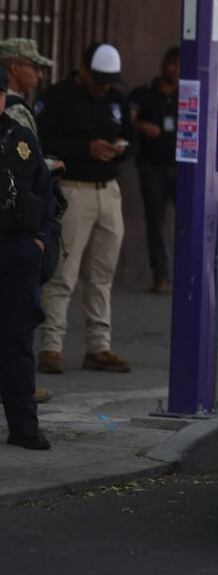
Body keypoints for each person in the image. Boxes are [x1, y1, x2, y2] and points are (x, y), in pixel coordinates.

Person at [36, 42, 133, 374]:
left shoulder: (116, 99)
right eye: (99, 79)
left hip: (109, 191)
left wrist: (119, 149)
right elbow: (42, 143)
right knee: (64, 273)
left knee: (102, 274)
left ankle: (98, 346)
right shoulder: (57, 97)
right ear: (83, 70)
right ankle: (51, 346)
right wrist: (85, 149)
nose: (104, 86)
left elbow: (131, 137)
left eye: (109, 80)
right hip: (74, 190)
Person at [0, 66, 58, 450]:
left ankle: (23, 427)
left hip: (16, 254)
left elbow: (46, 193)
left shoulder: (20, 138)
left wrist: (38, 241)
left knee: (17, 343)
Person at [130, 46, 179, 295]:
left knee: (188, 222)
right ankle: (160, 277)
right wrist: (140, 126)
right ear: (163, 65)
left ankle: (184, 275)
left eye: (180, 66)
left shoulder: (187, 97)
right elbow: (127, 116)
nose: (175, 70)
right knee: (155, 223)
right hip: (152, 167)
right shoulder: (145, 94)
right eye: (172, 64)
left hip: (182, 169)